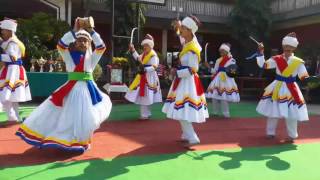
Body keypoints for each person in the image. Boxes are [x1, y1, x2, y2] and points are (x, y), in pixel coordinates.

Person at [16, 17, 112, 153]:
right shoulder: (68, 55)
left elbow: (101, 46)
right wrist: (74, 31)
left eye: (85, 40)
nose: (82, 43)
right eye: (79, 40)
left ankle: (81, 141)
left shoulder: (92, 57)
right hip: (71, 89)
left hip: (86, 90)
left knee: (86, 117)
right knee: (66, 116)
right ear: (75, 42)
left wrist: (91, 31)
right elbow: (61, 45)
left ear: (90, 43)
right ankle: (65, 139)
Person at [162, 15, 209, 147]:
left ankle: (193, 137)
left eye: (183, 28)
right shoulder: (188, 42)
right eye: (181, 27)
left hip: (188, 81)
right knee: (182, 109)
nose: (181, 30)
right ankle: (185, 134)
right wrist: (178, 27)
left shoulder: (192, 48)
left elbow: (193, 69)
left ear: (190, 30)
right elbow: (181, 38)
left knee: (181, 109)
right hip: (184, 81)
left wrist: (176, 72)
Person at [256, 32, 309, 143]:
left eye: (290, 47)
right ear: (283, 46)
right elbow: (264, 65)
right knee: (273, 111)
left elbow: (304, 76)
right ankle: (270, 133)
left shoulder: (298, 62)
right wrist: (261, 52)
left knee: (292, 113)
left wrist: (311, 80)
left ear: (294, 48)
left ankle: (292, 135)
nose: (287, 48)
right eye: (285, 46)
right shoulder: (276, 59)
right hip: (277, 87)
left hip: (291, 89)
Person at [0, 18, 31, 122]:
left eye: (3, 29)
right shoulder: (13, 41)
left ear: (9, 30)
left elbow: (12, 58)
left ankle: (13, 117)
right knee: (11, 96)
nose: (2, 32)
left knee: (5, 94)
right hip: (13, 70)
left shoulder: (12, 43)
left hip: (12, 70)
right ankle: (15, 117)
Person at [125, 34, 162, 120]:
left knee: (146, 95)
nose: (144, 47)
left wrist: (145, 69)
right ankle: (146, 113)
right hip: (144, 77)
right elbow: (138, 58)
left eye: (146, 45)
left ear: (150, 46)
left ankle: (145, 114)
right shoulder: (144, 54)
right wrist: (133, 50)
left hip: (149, 78)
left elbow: (154, 66)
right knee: (146, 95)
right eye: (144, 45)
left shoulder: (153, 55)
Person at [205, 43, 240, 118]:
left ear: (227, 51)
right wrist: (208, 67)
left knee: (224, 97)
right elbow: (214, 71)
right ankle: (215, 112)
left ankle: (226, 113)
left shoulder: (232, 60)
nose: (221, 53)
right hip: (217, 79)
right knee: (214, 96)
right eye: (220, 51)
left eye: (222, 51)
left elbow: (233, 70)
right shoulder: (218, 60)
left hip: (226, 79)